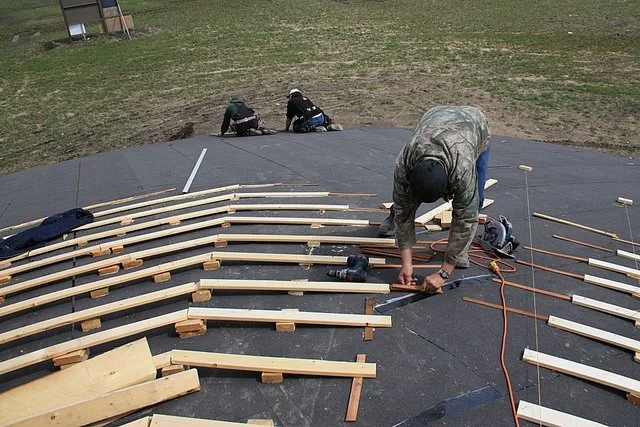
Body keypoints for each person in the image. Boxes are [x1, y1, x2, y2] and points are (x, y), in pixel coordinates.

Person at [379, 106, 491, 293]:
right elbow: (403, 209)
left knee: (474, 200)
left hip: (475, 126)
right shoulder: (405, 162)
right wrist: (406, 264)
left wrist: (444, 272)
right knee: (403, 204)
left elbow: (466, 218)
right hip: (435, 117)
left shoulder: (462, 169)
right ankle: (393, 221)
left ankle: (459, 251)